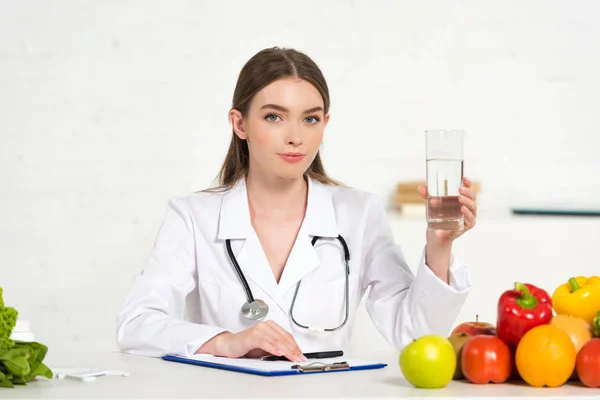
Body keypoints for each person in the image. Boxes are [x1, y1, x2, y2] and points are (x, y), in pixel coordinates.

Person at [115, 47, 477, 362]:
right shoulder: (192, 216)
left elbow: (415, 335)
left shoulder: (358, 213)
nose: (295, 137)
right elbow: (136, 325)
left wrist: (439, 245)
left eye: (310, 119)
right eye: (274, 116)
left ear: (325, 124)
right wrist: (227, 342)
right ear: (239, 124)